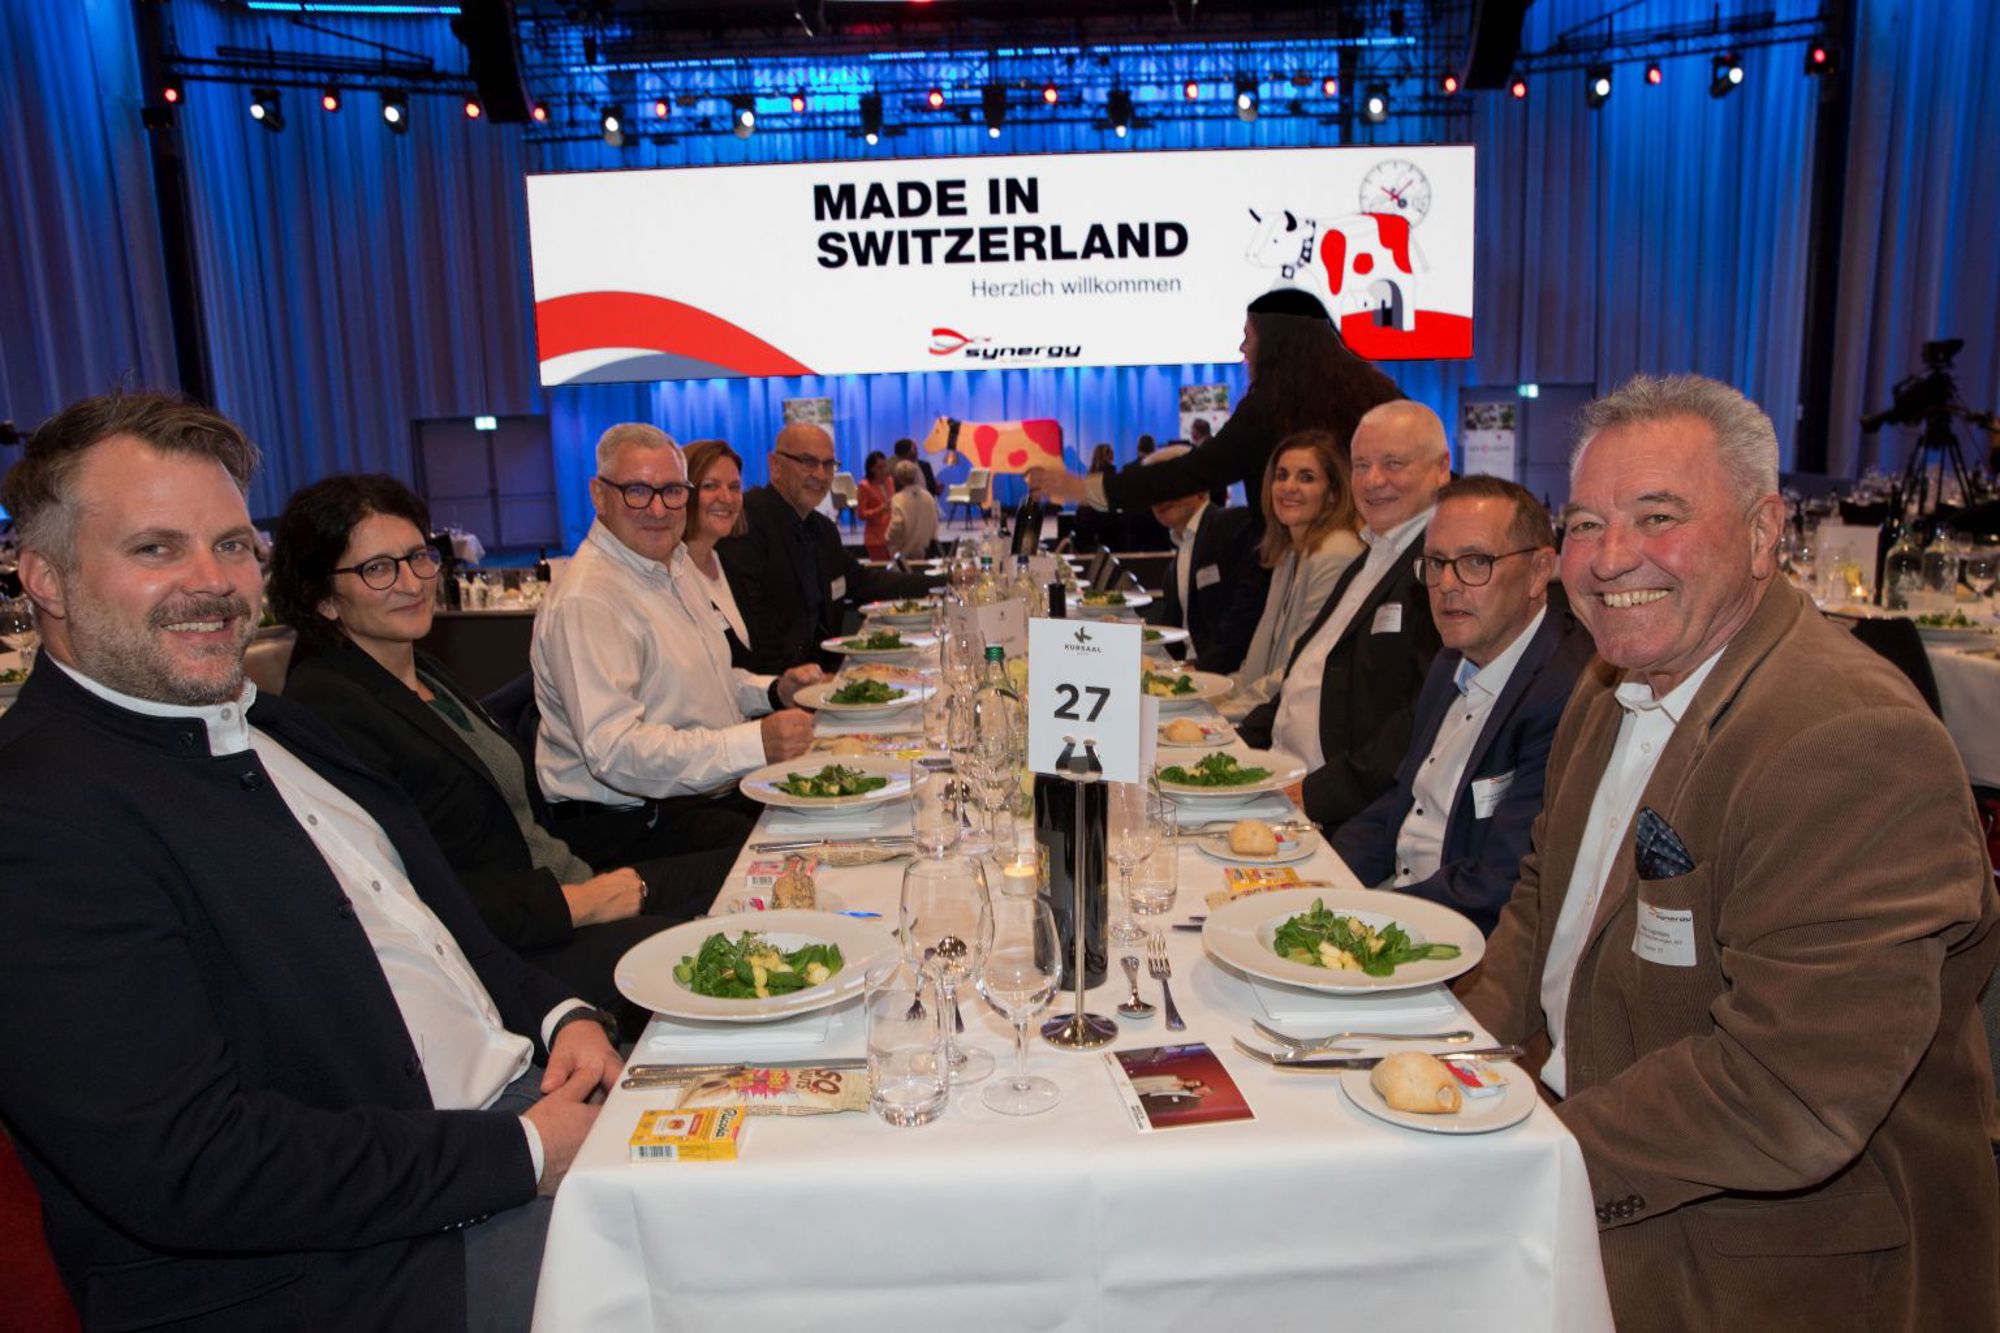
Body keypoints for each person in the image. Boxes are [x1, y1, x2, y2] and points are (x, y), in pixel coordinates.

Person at [0, 392, 616, 1330]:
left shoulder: (280, 725)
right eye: (156, 548)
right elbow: (191, 1165)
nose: (214, 582)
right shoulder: (37, 815)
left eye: (233, 544)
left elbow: (442, 932)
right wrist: (524, 1154)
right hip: (345, 1269)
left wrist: (558, 1012)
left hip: (508, 1121)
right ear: (43, 577)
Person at [1456, 374, 2000, 1331]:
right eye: (1586, 523)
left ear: (1763, 532)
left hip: (1764, 1256)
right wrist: (1456, 1061)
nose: (1610, 557)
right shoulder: (1611, 682)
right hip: (1599, 1142)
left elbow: (1786, 1088)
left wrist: (1534, 1158)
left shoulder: (1850, 740)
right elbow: (1544, 900)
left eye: (1658, 516)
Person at [269, 474, 728, 1016]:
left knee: (750, 874)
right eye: (377, 569)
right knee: (717, 957)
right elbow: (402, 894)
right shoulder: (328, 707)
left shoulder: (422, 671)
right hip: (510, 953)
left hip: (567, 883)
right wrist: (578, 904)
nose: (411, 583)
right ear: (323, 598)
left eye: (418, 557)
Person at [534, 423, 822, 871]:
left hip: (695, 799)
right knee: (802, 861)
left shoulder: (675, 564)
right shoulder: (589, 599)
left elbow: (705, 681)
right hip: (628, 828)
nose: (658, 508)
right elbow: (615, 753)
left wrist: (773, 691)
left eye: (671, 491)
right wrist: (754, 743)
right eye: (637, 491)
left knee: (830, 819)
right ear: (599, 495)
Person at [1329, 477, 1592, 935]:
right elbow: (1404, 801)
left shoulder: (1564, 694)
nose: (1447, 585)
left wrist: (1353, 915)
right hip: (1399, 900)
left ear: (1538, 571)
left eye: (1475, 562)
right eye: (1436, 563)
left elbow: (1498, 885)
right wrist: (1323, 878)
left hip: (1459, 939)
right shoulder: (1451, 661)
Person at [1028, 289, 1402, 532]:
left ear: (1275, 345)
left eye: (1248, 336)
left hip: (1307, 559)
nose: (1243, 349)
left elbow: (1191, 472)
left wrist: (1083, 488)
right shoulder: (1374, 390)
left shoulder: (1271, 408)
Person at [1242, 400, 1451, 828]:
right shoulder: (1371, 554)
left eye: (1393, 463)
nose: (1373, 480)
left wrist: (1314, 796)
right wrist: (1240, 744)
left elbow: (1425, 713)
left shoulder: (1441, 564)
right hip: (1281, 777)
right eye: (1361, 465)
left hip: (1338, 812)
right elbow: (1309, 668)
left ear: (1441, 468)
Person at [719, 422, 934, 674]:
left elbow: (865, 582)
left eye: (828, 464)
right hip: (773, 684)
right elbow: (755, 628)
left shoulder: (822, 530)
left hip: (822, 676)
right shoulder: (746, 524)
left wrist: (942, 583)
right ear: (775, 465)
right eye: (808, 462)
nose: (821, 475)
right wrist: (799, 684)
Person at [1222, 431, 1365, 719]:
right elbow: (1259, 665)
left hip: (1300, 722)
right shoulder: (1289, 552)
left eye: (1306, 477)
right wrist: (1214, 696)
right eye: (1282, 475)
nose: (1288, 487)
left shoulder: (1336, 553)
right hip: (1270, 713)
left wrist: (1224, 712)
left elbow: (1300, 666)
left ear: (1333, 493)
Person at [1141, 444, 1266, 674]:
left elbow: (1243, 620)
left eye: (1169, 486)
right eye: (1152, 491)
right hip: (1188, 671)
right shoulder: (1177, 559)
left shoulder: (1234, 527)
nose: (1160, 498)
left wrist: (1198, 670)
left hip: (1224, 677)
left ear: (1199, 488)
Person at [681, 438, 754, 665]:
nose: (727, 498)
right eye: (710, 486)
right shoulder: (670, 575)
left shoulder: (732, 563)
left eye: (734, 487)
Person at [887, 458, 939, 560]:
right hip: (925, 551)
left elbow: (897, 525)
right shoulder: (928, 496)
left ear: (898, 478)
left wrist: (888, 538)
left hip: (904, 552)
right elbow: (934, 522)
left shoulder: (898, 499)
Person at [857, 449, 891, 560]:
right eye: (879, 468)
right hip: (876, 539)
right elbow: (861, 513)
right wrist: (880, 509)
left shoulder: (890, 481)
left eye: (885, 466)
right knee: (880, 568)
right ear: (871, 469)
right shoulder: (864, 486)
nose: (884, 470)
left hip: (892, 535)